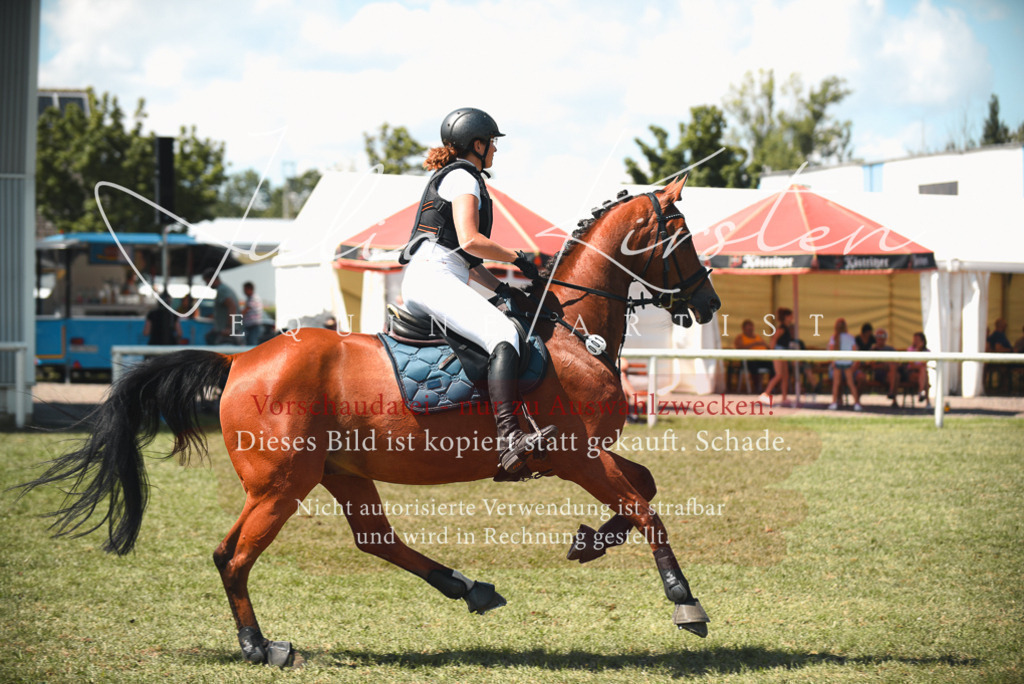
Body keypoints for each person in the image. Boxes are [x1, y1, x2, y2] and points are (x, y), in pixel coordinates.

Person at [398, 108, 555, 475]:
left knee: (498, 325)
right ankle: (509, 439)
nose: (496, 151)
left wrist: (502, 289)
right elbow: (472, 241)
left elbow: (467, 259)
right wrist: (520, 257)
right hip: (434, 276)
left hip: (438, 275)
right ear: (478, 144)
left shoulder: (456, 177)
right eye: (493, 143)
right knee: (503, 334)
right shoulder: (464, 177)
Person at [759, 308, 794, 406]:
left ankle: (784, 397)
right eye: (791, 316)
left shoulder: (787, 328)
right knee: (779, 374)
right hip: (779, 352)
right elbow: (773, 339)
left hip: (784, 352)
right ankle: (765, 394)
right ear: (786, 317)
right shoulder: (781, 328)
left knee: (785, 376)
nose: (792, 317)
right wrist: (772, 352)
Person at [827, 317, 862, 411]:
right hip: (847, 362)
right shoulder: (850, 337)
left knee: (836, 384)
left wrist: (833, 362)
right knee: (851, 383)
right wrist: (854, 363)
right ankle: (857, 403)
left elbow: (831, 350)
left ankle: (834, 403)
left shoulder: (833, 337)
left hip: (838, 362)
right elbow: (855, 350)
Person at [203, 268, 243, 345]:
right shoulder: (224, 289)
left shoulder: (222, 290)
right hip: (231, 330)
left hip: (227, 332)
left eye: (207, 281)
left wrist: (228, 327)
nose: (207, 284)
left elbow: (232, 307)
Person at [735, 318, 772, 393]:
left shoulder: (758, 337)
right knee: (753, 366)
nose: (750, 330)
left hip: (762, 358)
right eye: (748, 328)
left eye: (751, 328)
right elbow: (739, 348)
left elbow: (767, 346)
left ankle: (771, 388)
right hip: (749, 360)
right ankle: (756, 387)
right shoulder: (740, 337)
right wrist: (753, 344)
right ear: (744, 329)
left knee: (773, 365)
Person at [871, 328, 898, 405]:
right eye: (878, 335)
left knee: (896, 374)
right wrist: (884, 365)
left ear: (886, 338)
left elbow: (897, 363)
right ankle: (893, 395)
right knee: (896, 374)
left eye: (883, 335)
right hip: (879, 374)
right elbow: (872, 366)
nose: (880, 337)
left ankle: (891, 392)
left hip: (890, 374)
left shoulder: (890, 349)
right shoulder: (873, 350)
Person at [901, 331, 930, 402]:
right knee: (925, 376)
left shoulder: (927, 351)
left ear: (922, 341)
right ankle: (926, 399)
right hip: (910, 373)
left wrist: (920, 367)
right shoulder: (910, 350)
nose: (915, 341)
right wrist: (917, 350)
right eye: (914, 340)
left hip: (920, 374)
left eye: (917, 340)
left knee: (923, 374)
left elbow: (924, 364)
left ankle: (921, 392)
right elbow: (912, 365)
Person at [241, 281, 264, 346]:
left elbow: (245, 311)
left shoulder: (253, 298)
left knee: (252, 344)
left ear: (249, 289)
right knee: (250, 343)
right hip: (251, 326)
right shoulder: (251, 298)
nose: (244, 292)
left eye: (245, 290)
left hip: (253, 326)